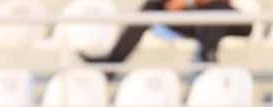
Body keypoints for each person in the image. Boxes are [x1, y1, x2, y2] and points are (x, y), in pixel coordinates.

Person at [80, 0, 252, 64]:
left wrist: (187, 2)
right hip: (197, 22)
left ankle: (208, 56)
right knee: (152, 6)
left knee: (217, 9)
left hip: (230, 21)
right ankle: (114, 61)